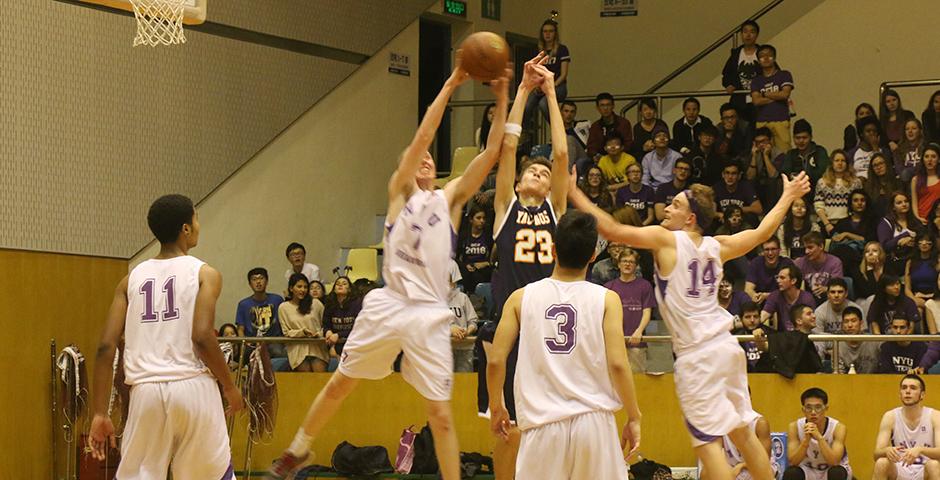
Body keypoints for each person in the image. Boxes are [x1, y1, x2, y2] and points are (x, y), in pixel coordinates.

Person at [264, 59, 512, 480]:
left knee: (441, 415)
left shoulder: (448, 201)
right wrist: (452, 82)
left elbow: (491, 152)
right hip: (389, 303)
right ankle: (298, 450)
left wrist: (503, 94)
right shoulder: (400, 193)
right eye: (419, 158)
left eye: (432, 158)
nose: (427, 160)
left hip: (428, 312)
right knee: (342, 381)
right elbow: (422, 136)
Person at [569, 163, 810, 480]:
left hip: (698, 356)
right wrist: (788, 195)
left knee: (707, 444)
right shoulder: (717, 246)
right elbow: (762, 232)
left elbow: (612, 230)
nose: (668, 208)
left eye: (676, 205)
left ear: (691, 217)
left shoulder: (666, 240)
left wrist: (573, 191)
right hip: (727, 349)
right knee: (742, 433)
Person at [88, 194, 243, 479]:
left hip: (145, 392)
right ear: (186, 228)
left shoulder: (130, 280)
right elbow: (203, 337)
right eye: (196, 219)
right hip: (194, 387)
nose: (198, 225)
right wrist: (230, 386)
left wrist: (100, 412)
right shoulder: (205, 273)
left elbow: (106, 347)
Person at [487, 210, 641, 479]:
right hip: (594, 424)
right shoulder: (607, 299)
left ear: (553, 250)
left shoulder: (520, 298)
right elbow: (618, 363)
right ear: (593, 255)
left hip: (541, 426)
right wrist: (633, 415)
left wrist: (497, 405)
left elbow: (496, 360)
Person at [477, 54, 570, 480]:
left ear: (551, 186)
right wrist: (521, 91)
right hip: (510, 325)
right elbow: (508, 145)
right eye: (531, 171)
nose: (537, 172)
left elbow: (562, 151)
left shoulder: (555, 209)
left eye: (543, 171)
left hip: (547, 323)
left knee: (550, 426)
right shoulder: (504, 208)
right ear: (517, 182)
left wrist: (550, 91)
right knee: (507, 430)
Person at [873, 374, 940, 480]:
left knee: (934, 465)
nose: (907, 391)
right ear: (900, 394)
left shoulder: (935, 416)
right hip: (900, 469)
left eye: (913, 388)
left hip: (924, 470)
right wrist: (887, 450)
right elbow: (876, 454)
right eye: (904, 388)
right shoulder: (890, 416)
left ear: (922, 395)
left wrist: (920, 450)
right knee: (881, 462)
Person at [605, 248, 655, 373]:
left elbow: (647, 312)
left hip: (636, 343)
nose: (627, 264)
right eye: (624, 261)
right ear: (618, 263)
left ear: (636, 265)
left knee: (637, 379)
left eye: (631, 262)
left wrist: (639, 331)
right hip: (613, 343)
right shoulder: (608, 287)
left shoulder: (645, 286)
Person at [785, 388, 851, 480]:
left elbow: (835, 462)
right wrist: (805, 441)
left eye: (818, 407)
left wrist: (819, 438)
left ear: (826, 408)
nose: (813, 412)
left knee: (837, 472)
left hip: (830, 470)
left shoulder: (838, 428)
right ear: (803, 409)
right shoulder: (794, 427)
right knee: (792, 473)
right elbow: (793, 462)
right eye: (808, 408)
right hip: (808, 470)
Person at [235, 267, 289, 371]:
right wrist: (245, 342)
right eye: (254, 279)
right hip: (253, 343)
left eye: (261, 278)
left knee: (280, 353)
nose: (258, 282)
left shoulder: (277, 300)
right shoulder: (243, 304)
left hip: (274, 341)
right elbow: (240, 329)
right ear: (250, 284)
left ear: (267, 281)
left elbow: (284, 321)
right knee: (245, 356)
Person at [278, 273, 329, 372]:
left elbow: (326, 325)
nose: (303, 290)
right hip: (297, 350)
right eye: (299, 286)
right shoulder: (283, 307)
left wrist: (318, 334)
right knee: (305, 381)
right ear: (291, 288)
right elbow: (286, 332)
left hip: (317, 347)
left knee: (320, 379)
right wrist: (303, 332)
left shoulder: (316, 303)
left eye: (305, 287)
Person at [524, 19, 570, 128]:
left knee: (543, 104)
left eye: (551, 31)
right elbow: (533, 71)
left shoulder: (562, 49)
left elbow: (563, 75)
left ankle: (559, 128)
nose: (548, 34)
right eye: (545, 31)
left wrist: (551, 86)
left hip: (558, 85)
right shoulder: (538, 50)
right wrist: (537, 86)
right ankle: (525, 132)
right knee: (526, 105)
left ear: (555, 33)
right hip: (540, 86)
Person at [751, 44, 794, 153]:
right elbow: (756, 101)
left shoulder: (784, 74)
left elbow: (785, 94)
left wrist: (765, 94)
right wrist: (776, 96)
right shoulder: (756, 80)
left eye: (769, 55)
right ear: (758, 60)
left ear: (774, 58)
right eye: (762, 56)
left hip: (781, 120)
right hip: (762, 122)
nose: (765, 58)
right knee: (762, 154)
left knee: (784, 154)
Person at [814, 150, 863, 238]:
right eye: (837, 160)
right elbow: (818, 205)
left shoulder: (856, 182)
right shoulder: (822, 182)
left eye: (843, 161)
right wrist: (827, 224)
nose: (840, 163)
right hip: (827, 223)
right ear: (832, 163)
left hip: (848, 223)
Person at [813, 278, 863, 361]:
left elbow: (862, 334)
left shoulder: (856, 309)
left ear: (846, 293)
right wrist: (832, 351)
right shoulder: (819, 312)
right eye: (832, 292)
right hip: (829, 347)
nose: (836, 295)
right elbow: (818, 340)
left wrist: (842, 350)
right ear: (828, 294)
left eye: (840, 292)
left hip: (851, 345)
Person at [721, 20, 761, 124]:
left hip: (759, 100)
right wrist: (729, 85)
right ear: (741, 34)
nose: (748, 35)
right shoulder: (736, 54)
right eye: (745, 31)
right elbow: (726, 74)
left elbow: (773, 72)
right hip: (739, 101)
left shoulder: (762, 52)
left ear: (757, 35)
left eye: (752, 32)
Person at [880, 191, 925, 276]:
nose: (904, 204)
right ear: (893, 207)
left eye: (906, 201)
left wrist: (912, 241)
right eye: (899, 203)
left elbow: (925, 239)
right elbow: (885, 246)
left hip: (915, 261)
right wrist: (903, 236)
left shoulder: (915, 221)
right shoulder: (886, 222)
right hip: (894, 263)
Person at [779, 119, 829, 194]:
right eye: (797, 138)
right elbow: (785, 173)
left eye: (804, 138)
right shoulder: (791, 154)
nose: (801, 141)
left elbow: (822, 173)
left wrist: (801, 176)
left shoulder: (819, 151)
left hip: (816, 191)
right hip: (796, 192)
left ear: (811, 137)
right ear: (793, 138)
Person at [322, 276, 361, 371]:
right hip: (334, 345)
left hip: (353, 345)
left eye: (344, 283)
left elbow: (358, 328)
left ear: (350, 289)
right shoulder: (330, 304)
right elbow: (326, 324)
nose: (340, 285)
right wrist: (327, 331)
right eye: (337, 283)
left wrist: (338, 335)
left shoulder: (356, 304)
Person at [762, 265, 816, 332]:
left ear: (793, 280)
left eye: (782, 278)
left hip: (802, 337)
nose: (778, 281)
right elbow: (763, 316)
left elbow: (811, 322)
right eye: (777, 277)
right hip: (783, 338)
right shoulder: (775, 295)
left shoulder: (807, 298)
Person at [794, 231, 843, 304]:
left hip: (830, 301)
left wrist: (826, 289)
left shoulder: (835, 262)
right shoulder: (800, 263)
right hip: (808, 302)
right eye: (805, 248)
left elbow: (838, 287)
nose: (806, 251)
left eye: (810, 247)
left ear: (821, 246)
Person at [456, 204, 494, 295]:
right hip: (466, 270)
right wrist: (465, 265)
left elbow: (494, 259)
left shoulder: (488, 237)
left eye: (484, 218)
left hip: (483, 270)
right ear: (471, 220)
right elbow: (456, 257)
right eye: (478, 218)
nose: (482, 221)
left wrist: (486, 263)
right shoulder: (464, 236)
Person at [745, 237, 795, 304]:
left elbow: (791, 290)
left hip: (783, 303)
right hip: (761, 303)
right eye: (767, 250)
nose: (770, 253)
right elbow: (748, 289)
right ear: (762, 252)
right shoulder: (756, 263)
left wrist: (768, 296)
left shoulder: (787, 263)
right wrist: (755, 296)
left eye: (773, 249)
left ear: (779, 250)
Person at [447, 271, 478, 373]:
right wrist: (449, 330)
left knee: (464, 381)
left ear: (452, 283)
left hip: (464, 345)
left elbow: (473, 321)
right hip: (443, 348)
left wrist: (468, 331)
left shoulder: (462, 297)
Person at [587, 92, 633, 159]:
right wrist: (597, 155)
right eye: (602, 105)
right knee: (582, 163)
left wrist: (615, 154)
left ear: (613, 106)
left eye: (608, 105)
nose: (605, 108)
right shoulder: (595, 126)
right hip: (601, 158)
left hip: (620, 157)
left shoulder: (624, 123)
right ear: (598, 108)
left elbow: (628, 144)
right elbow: (591, 147)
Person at [747, 127, 784, 208]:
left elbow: (773, 175)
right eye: (757, 142)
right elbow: (750, 177)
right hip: (760, 185)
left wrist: (765, 156)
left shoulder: (779, 154)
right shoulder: (755, 154)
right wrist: (753, 157)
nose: (760, 145)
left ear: (770, 141)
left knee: (774, 183)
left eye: (763, 141)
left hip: (774, 186)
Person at [835, 306, 880, 374]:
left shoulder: (874, 341)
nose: (850, 325)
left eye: (853, 321)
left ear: (861, 323)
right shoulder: (838, 345)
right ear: (842, 325)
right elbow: (839, 375)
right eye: (846, 321)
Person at [905, 230, 939, 310]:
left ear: (932, 244)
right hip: (916, 297)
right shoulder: (910, 262)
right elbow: (907, 288)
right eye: (921, 240)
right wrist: (914, 299)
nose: (924, 243)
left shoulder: (938, 262)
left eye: (927, 241)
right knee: (918, 310)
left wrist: (929, 300)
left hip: (934, 297)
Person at [641, 124, 682, 189]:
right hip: (653, 190)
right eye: (658, 136)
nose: (662, 138)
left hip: (672, 189)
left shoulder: (677, 157)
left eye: (665, 136)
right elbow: (645, 179)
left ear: (668, 140)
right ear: (653, 141)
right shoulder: (647, 158)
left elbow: (679, 178)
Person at [732, 302, 769, 373]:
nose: (752, 320)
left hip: (768, 376)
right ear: (741, 319)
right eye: (748, 317)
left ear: (760, 317)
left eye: (755, 316)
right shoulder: (735, 338)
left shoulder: (771, 334)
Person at [655, 157, 692, 222]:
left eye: (686, 169)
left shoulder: (691, 190)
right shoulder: (663, 188)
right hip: (666, 226)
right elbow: (660, 215)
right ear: (674, 170)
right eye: (680, 168)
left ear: (689, 173)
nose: (683, 171)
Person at [912, 144, 940, 222]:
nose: (929, 160)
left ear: (939, 159)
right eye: (926, 156)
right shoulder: (915, 180)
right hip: (921, 219)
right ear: (923, 159)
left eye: (933, 156)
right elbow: (914, 203)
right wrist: (918, 218)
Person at [896, 119, 927, 184]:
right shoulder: (899, 149)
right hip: (904, 182)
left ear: (920, 131)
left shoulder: (925, 147)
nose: (910, 131)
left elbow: (924, 167)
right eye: (907, 129)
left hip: (922, 180)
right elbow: (899, 170)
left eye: (914, 128)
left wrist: (910, 171)